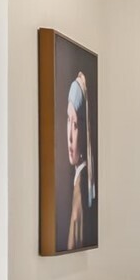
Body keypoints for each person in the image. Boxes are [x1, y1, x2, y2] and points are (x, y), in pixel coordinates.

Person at [60, 71, 96, 250]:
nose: (69, 137)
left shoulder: (80, 189)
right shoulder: (78, 183)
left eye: (75, 125)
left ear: (85, 128)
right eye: (68, 120)